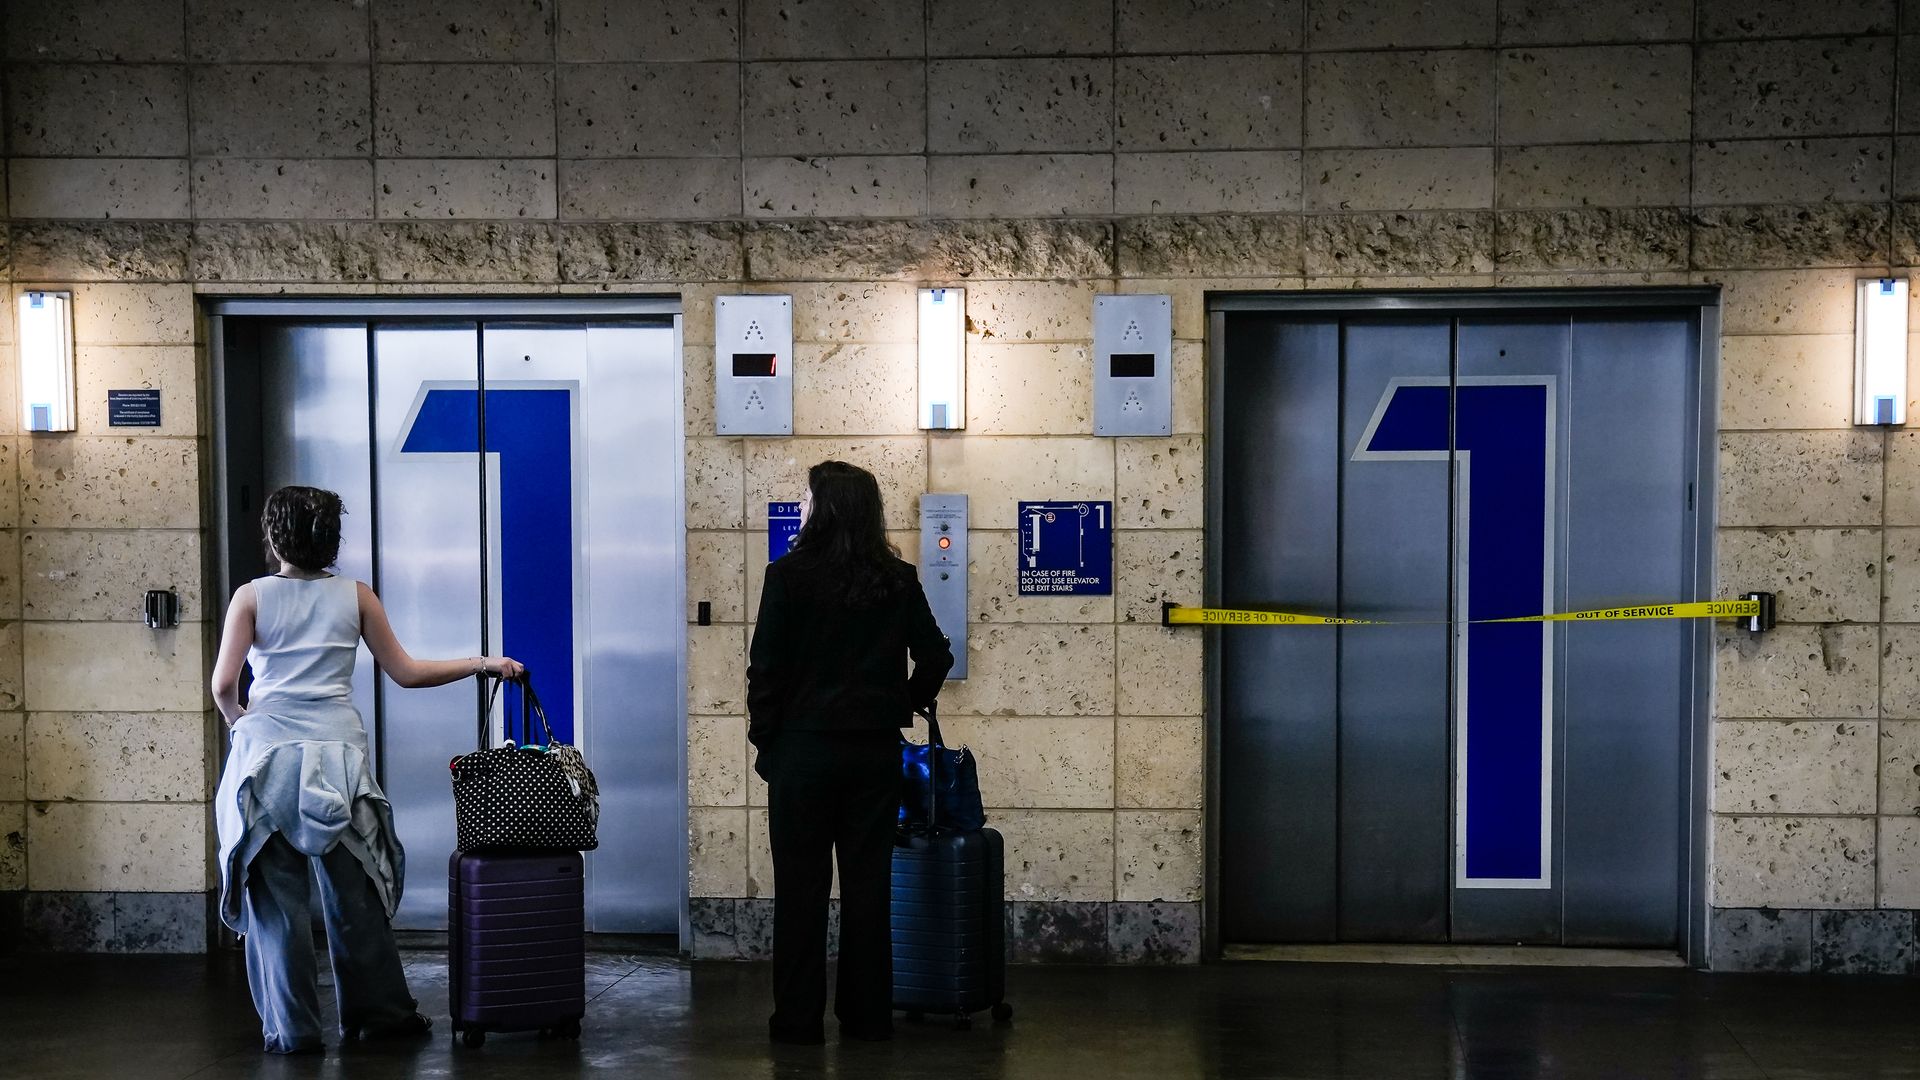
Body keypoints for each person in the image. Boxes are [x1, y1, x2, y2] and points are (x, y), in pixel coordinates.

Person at [210, 485, 524, 1054]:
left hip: (266, 763)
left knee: (277, 908)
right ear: (332, 539)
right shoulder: (357, 597)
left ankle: (294, 1030)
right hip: (338, 763)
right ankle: (377, 1016)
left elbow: (224, 686)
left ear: (272, 534)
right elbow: (405, 672)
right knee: (356, 897)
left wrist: (244, 725)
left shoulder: (249, 598)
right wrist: (485, 663)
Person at [748, 461, 954, 1045]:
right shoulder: (897, 578)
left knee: (799, 892)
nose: (803, 506)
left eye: (808, 498)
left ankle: (796, 1022)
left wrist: (769, 743)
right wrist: (900, 705)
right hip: (871, 756)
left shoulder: (786, 577)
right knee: (868, 891)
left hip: (803, 755)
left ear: (826, 507)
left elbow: (766, 668)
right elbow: (937, 656)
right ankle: (866, 1019)